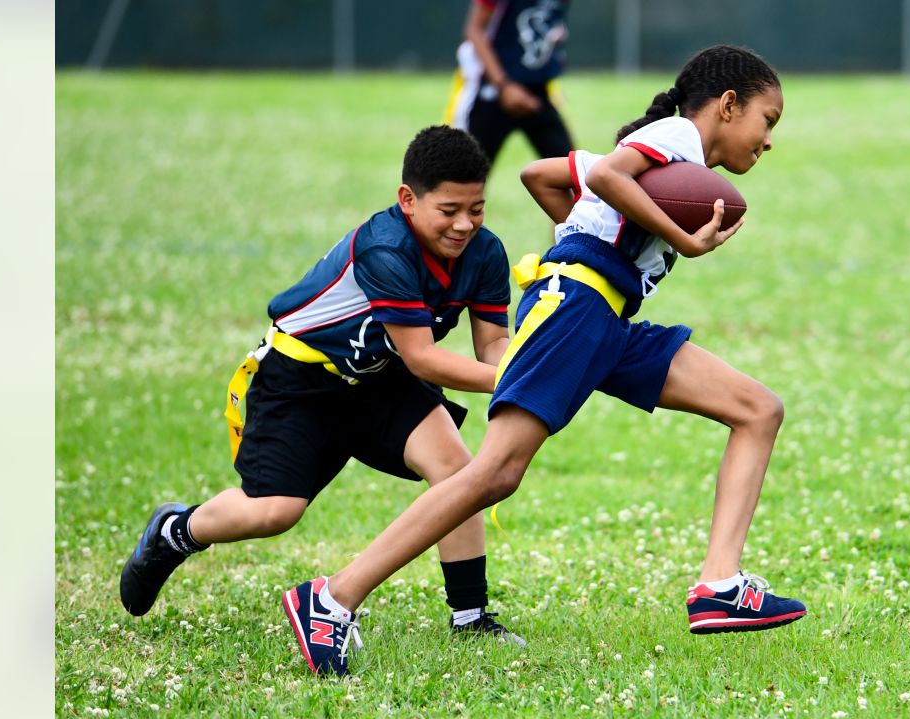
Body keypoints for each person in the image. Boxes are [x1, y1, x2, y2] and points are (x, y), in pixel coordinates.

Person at [285, 44, 804, 676]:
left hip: (608, 320)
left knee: (757, 409)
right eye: (767, 119)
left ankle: (719, 585)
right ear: (728, 105)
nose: (769, 138)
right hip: (576, 307)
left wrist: (589, 227)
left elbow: (542, 176)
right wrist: (673, 241)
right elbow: (610, 177)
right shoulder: (673, 136)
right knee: (495, 472)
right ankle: (331, 599)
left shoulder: (672, 153)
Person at [119, 126, 526, 656]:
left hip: (381, 379)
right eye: (449, 209)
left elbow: (492, 342)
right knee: (273, 512)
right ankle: (175, 530)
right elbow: (423, 357)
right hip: (302, 379)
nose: (464, 224)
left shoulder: (485, 252)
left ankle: (470, 618)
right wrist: (520, 378)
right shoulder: (386, 248)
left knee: (461, 474)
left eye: (477, 208)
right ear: (408, 200)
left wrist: (523, 363)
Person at [443, 0, 574, 167]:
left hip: (537, 90)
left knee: (574, 176)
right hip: (490, 90)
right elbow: (474, 29)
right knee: (461, 177)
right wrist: (504, 85)